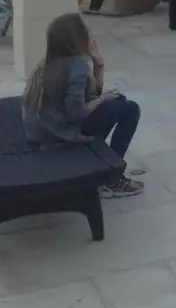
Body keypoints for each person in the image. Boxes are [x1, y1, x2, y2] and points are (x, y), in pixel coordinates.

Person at [21, 13, 144, 198]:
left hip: (45, 132)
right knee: (130, 109)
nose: (91, 33)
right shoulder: (76, 65)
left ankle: (105, 164)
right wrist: (103, 99)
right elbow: (76, 113)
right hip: (60, 136)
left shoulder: (48, 63)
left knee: (119, 102)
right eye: (85, 30)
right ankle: (112, 178)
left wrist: (99, 66)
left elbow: (87, 97)